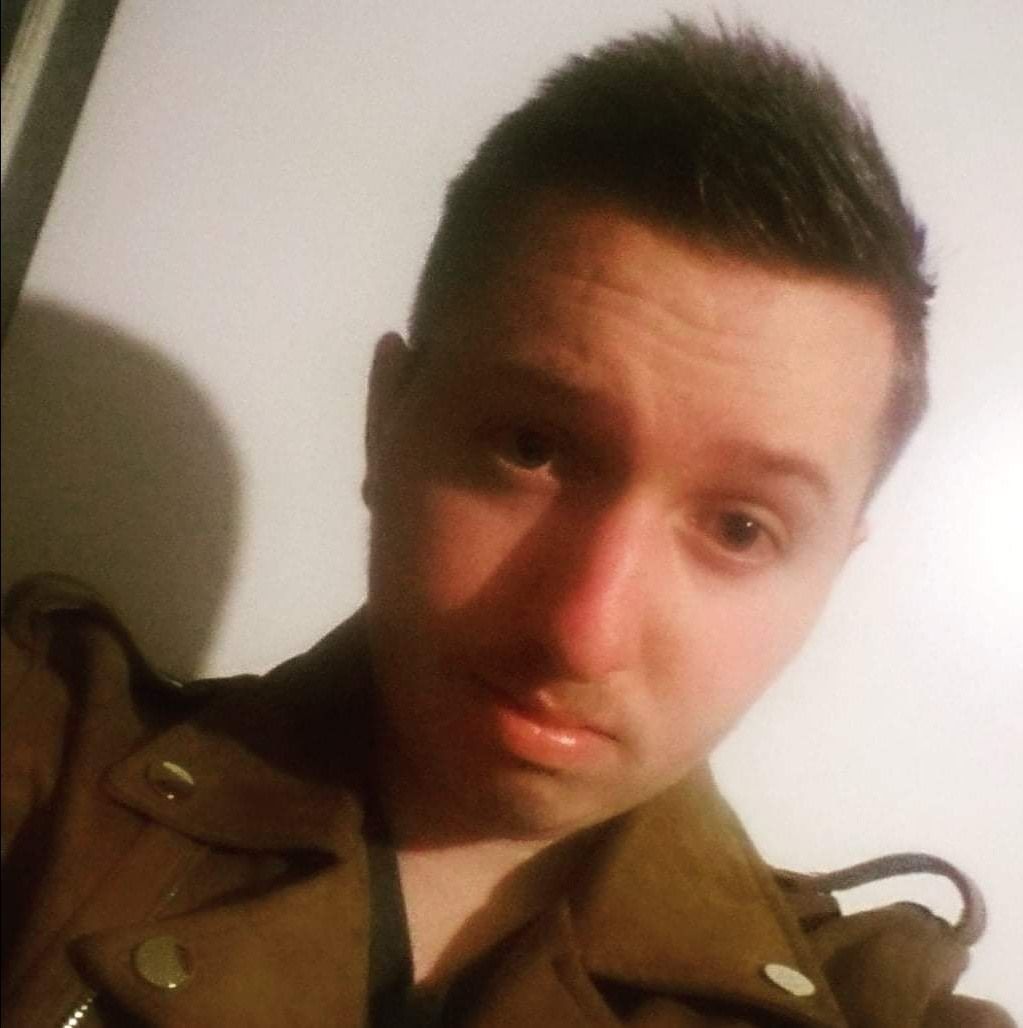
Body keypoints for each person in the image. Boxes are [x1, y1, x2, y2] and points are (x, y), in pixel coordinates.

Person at [1, 17, 1014, 1028]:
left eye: (741, 528)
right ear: (386, 419)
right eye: (533, 447)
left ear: (832, 571)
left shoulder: (880, 1010)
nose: (582, 632)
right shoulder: (43, 757)